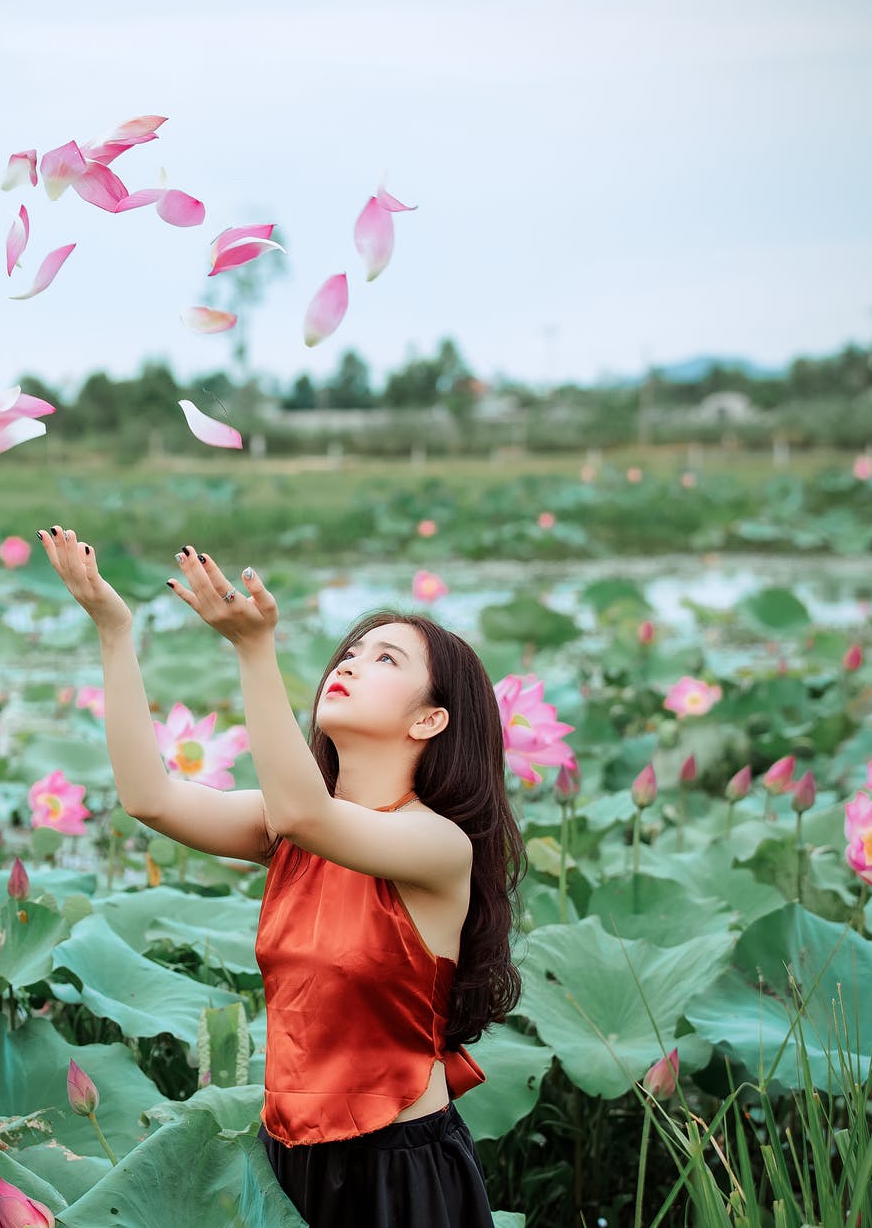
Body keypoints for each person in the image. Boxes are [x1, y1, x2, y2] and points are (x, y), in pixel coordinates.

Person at [39, 526, 523, 1227]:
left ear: (430, 719)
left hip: (399, 1168)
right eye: (350, 652)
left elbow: (307, 814)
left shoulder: (437, 844)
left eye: (385, 658)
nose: (350, 664)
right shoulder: (288, 825)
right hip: (288, 1157)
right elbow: (151, 797)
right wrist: (115, 630)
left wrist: (253, 646)